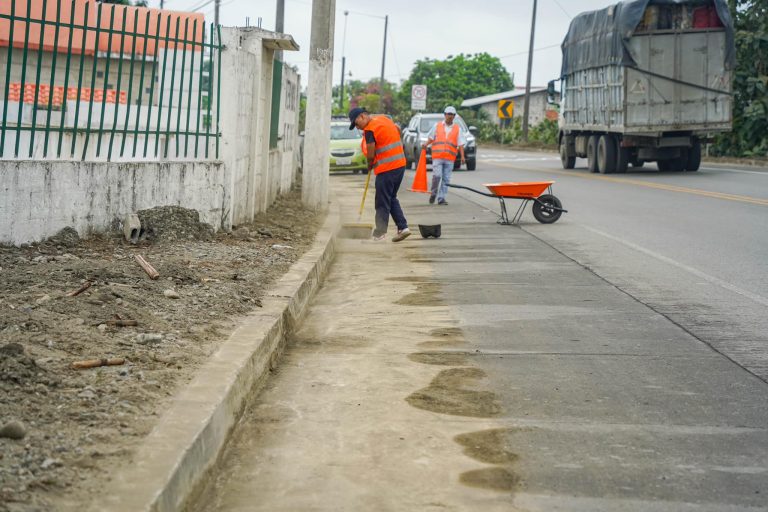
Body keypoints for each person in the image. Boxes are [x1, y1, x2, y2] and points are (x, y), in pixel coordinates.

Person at [349, 107, 411, 242]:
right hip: (400, 165)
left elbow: (370, 152)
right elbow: (397, 130)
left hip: (387, 169)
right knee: (391, 197)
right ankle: (403, 227)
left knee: (382, 201)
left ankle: (379, 234)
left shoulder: (370, 129)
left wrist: (369, 164)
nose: (358, 128)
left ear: (362, 117)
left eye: (356, 124)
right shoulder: (384, 119)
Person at [423, 106, 466, 205]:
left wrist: (462, 157)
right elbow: (431, 138)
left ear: (454, 116)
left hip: (449, 159)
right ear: (445, 115)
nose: (449, 116)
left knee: (446, 179)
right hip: (437, 157)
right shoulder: (437, 126)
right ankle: (433, 193)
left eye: (452, 114)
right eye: (448, 114)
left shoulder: (457, 129)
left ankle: (441, 198)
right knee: (437, 176)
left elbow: (461, 144)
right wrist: (426, 144)